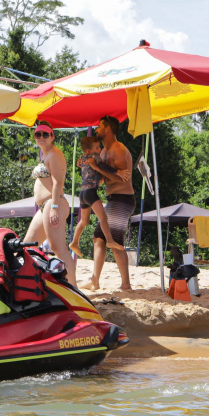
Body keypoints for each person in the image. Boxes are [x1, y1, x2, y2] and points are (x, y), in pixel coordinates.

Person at [24, 121, 77, 285]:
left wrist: (54, 207)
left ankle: (73, 287)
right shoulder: (46, 154)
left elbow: (58, 183)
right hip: (45, 207)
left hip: (53, 203)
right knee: (26, 247)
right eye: (38, 134)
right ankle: (28, 283)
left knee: (58, 248)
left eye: (45, 134)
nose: (41, 137)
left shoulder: (54, 154)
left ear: (52, 136)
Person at [85, 116, 134, 291]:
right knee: (99, 238)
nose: (96, 129)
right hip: (114, 199)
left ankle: (126, 284)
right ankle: (95, 280)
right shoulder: (104, 152)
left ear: (107, 129)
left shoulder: (118, 150)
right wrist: (87, 168)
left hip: (123, 198)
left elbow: (121, 180)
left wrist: (98, 169)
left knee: (114, 241)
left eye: (99, 127)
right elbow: (106, 179)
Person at [68, 135, 124, 257]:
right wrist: (116, 172)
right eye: (97, 147)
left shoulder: (82, 158)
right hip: (90, 192)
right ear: (89, 151)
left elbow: (84, 166)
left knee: (84, 220)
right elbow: (103, 166)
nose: (99, 150)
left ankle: (74, 242)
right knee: (103, 217)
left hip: (82, 193)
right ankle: (109, 241)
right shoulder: (94, 157)